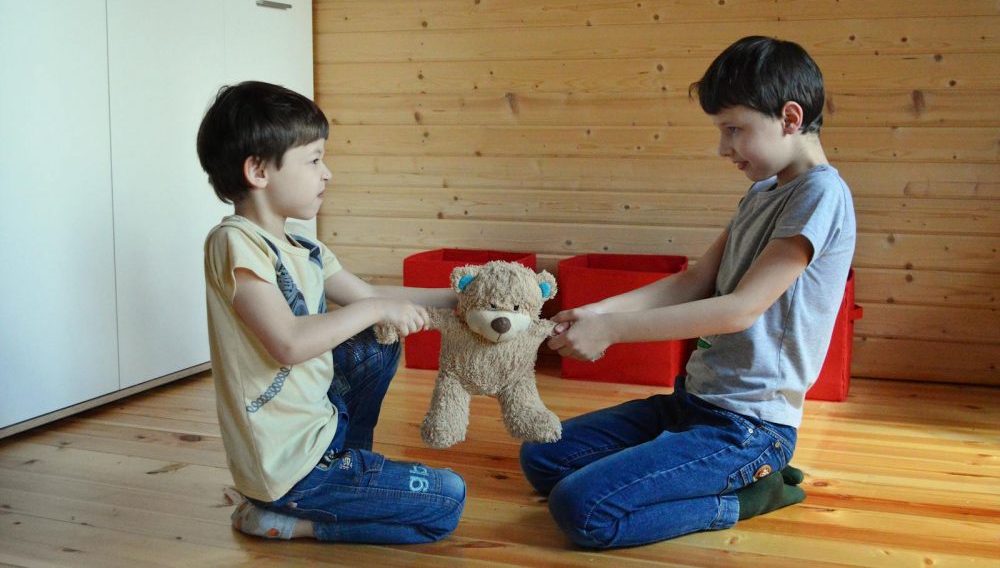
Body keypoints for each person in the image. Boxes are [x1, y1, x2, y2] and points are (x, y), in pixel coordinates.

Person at [520, 36, 856, 548]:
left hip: (748, 428)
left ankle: (748, 495)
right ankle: (673, 469)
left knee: (581, 509)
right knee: (542, 456)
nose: (724, 148)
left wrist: (612, 330)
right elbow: (693, 281)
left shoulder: (821, 194)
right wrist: (597, 309)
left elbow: (740, 310)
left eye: (734, 129)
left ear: (790, 117)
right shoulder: (763, 192)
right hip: (692, 403)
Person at [197, 81, 465, 544]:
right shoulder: (234, 242)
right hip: (287, 466)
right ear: (259, 170)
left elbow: (367, 295)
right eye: (315, 159)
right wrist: (378, 307)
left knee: (376, 344)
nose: (328, 174)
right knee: (446, 501)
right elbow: (288, 343)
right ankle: (289, 519)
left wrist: (461, 299)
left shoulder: (304, 246)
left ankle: (347, 467)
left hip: (322, 431)